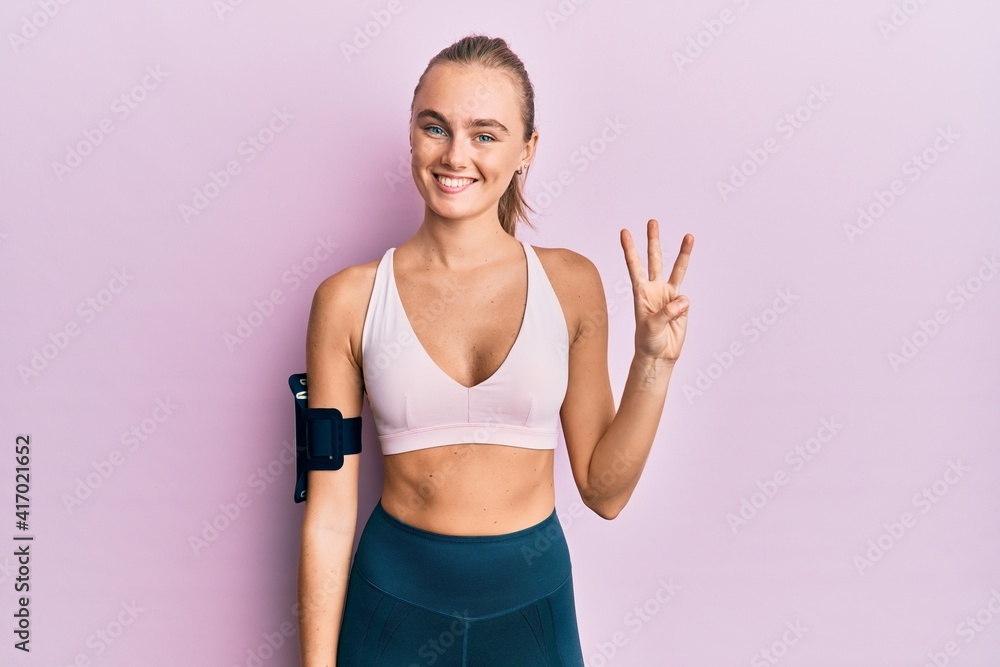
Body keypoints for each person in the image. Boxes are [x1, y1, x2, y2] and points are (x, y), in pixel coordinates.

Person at [296, 34, 694, 666]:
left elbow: (605, 491)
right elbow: (328, 515)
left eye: (486, 134)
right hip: (391, 610)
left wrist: (654, 362)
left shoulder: (571, 285)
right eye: (435, 127)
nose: (456, 155)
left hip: (531, 612)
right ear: (411, 133)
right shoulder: (348, 301)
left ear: (526, 150)